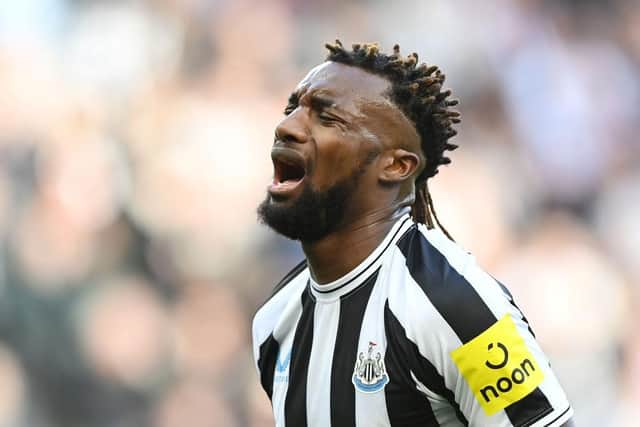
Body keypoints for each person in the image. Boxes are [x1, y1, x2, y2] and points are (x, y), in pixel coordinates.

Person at [252, 40, 574, 427]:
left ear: (396, 166)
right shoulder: (275, 321)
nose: (286, 127)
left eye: (327, 118)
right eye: (293, 109)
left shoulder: (456, 303)